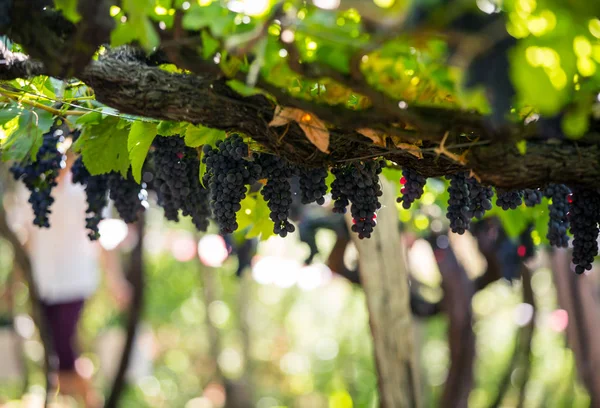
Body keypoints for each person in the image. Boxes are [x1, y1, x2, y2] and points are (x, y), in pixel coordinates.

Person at [7, 149, 131, 406]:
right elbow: (26, 240)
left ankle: (88, 400)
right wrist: (13, 282)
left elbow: (101, 239)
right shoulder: (33, 186)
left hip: (76, 280)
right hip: (42, 282)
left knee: (64, 351)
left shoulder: (89, 186)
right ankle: (72, 398)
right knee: (55, 353)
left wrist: (115, 280)